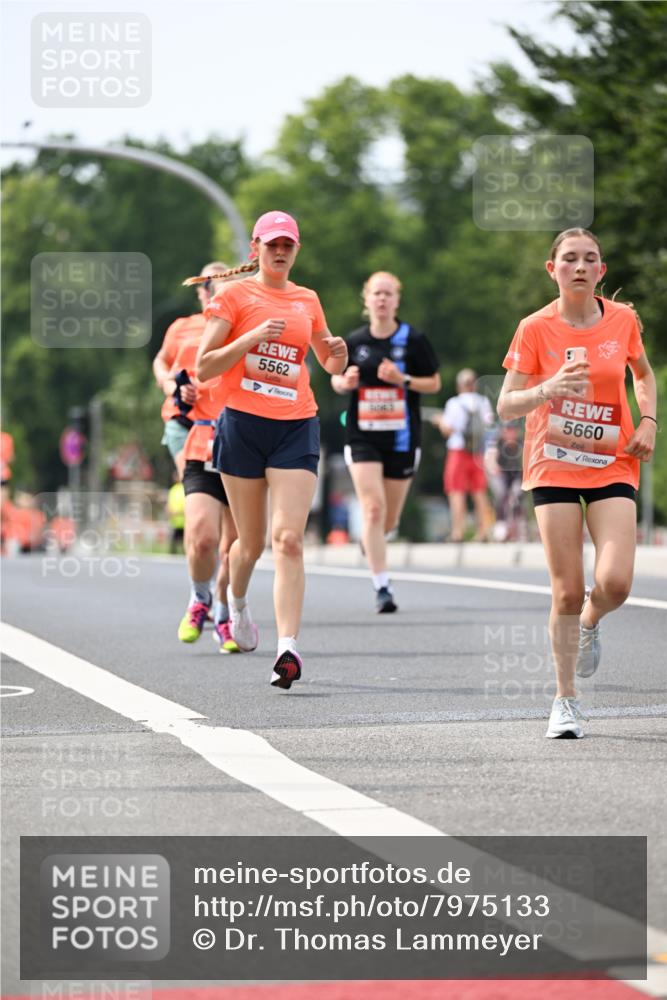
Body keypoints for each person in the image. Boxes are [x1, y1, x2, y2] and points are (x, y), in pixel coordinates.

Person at [497, 228, 657, 739]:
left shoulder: (624, 320)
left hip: (612, 460)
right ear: (553, 269)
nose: (580, 266)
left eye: (590, 259)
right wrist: (546, 388)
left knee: (615, 583)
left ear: (601, 272)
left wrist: (649, 420)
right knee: (565, 590)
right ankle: (565, 700)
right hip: (554, 463)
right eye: (570, 259)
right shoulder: (535, 328)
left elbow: (643, 374)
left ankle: (590, 622)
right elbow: (506, 403)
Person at [194, 210, 348, 689]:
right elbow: (204, 366)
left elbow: (327, 358)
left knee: (289, 539)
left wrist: (337, 354)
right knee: (250, 543)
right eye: (272, 245)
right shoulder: (234, 296)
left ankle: (288, 649)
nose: (281, 252)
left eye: (289, 245)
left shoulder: (308, 299)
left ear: (296, 250)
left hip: (296, 424)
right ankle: (235, 602)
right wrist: (251, 338)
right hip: (242, 425)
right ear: (255, 249)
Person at [331, 272, 440, 612]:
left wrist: (402, 378)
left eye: (388, 293)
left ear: (396, 300)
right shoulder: (355, 341)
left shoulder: (413, 339)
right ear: (366, 300)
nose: (381, 299)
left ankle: (372, 539)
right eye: (376, 293)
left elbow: (434, 383)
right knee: (372, 509)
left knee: (387, 520)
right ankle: (382, 588)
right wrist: (343, 381)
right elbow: (336, 380)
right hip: (363, 436)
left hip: (402, 438)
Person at [169, 315, 239, 653]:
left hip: (246, 452)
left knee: (234, 549)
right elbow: (179, 401)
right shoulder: (195, 345)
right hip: (203, 447)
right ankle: (200, 598)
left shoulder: (258, 339)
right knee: (202, 536)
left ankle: (225, 612)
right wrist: (183, 393)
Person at [153, 262, 228, 479]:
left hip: (224, 424)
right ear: (199, 291)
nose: (211, 289)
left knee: (226, 504)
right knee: (195, 489)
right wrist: (172, 387)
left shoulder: (239, 328)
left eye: (219, 282)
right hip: (185, 420)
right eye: (206, 284)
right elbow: (161, 360)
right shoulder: (182, 326)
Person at [434, 368, 494, 542]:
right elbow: (489, 427)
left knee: (456, 492)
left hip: (458, 451)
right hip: (477, 452)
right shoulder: (483, 402)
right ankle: (483, 531)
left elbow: (447, 429)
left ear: (459, 385)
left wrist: (439, 421)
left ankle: (458, 532)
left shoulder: (454, 403)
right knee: (479, 492)